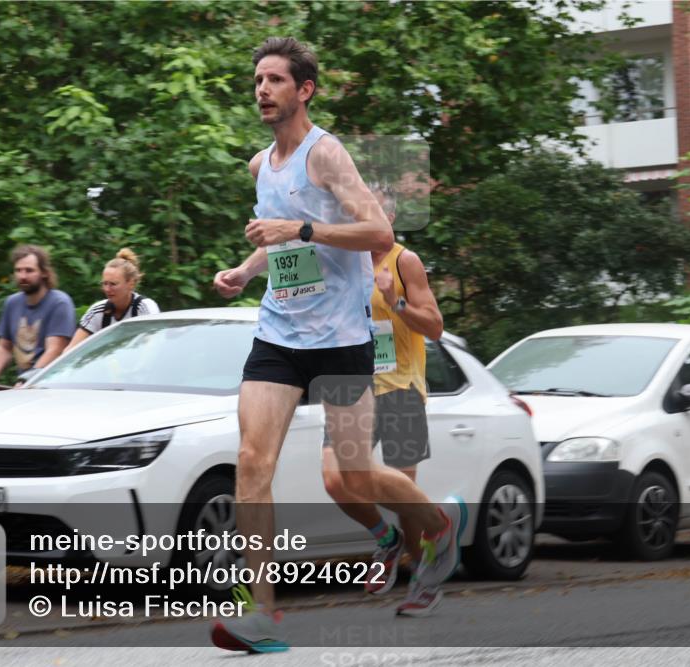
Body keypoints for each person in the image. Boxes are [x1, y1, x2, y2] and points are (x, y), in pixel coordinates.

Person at [210, 37, 464, 654]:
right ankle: (261, 618)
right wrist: (247, 271)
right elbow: (280, 240)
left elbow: (377, 230)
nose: (262, 89)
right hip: (278, 333)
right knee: (251, 461)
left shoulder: (326, 155)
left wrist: (300, 226)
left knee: (354, 475)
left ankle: (436, 525)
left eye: (275, 80)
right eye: (258, 80)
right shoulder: (259, 165)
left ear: (304, 90)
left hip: (343, 340)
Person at [321, 186, 446, 615]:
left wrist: (395, 301)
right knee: (335, 480)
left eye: (374, 213)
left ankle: (424, 576)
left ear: (388, 218)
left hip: (401, 389)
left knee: (406, 498)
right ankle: (385, 540)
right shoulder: (342, 259)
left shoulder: (404, 260)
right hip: (351, 384)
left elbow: (435, 327)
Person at [0, 245, 76, 389]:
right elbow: (4, 346)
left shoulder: (59, 302)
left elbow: (55, 350)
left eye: (29, 270)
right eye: (18, 270)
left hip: (54, 385)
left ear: (44, 273)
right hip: (25, 385)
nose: (23, 276)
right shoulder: (12, 303)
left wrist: (27, 380)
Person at [65, 248, 158, 352]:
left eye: (113, 284)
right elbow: (71, 350)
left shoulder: (144, 308)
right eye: (104, 283)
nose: (107, 289)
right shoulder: (98, 311)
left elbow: (151, 348)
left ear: (131, 284)